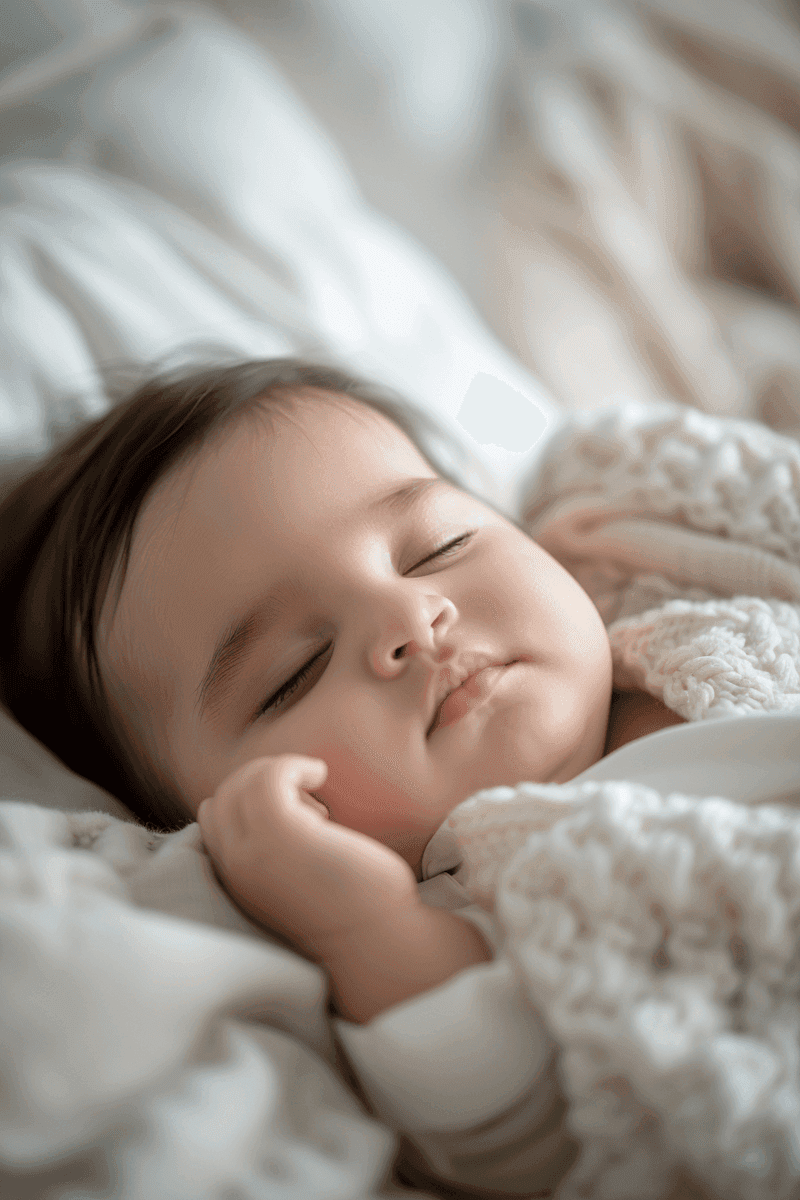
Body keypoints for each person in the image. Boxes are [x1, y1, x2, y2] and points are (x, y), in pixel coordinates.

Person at [0, 355, 684, 1028]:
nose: (408, 618)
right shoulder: (459, 930)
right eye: (296, 672)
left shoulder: (686, 588)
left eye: (438, 547)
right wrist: (367, 932)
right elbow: (537, 1116)